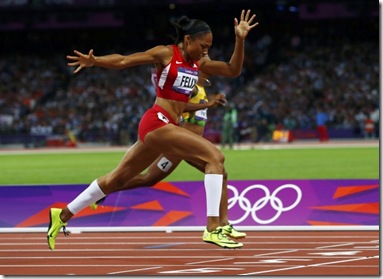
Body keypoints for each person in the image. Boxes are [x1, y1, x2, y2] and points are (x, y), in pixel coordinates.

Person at [47, 9, 258, 250]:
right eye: (203, 45)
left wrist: (240, 40)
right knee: (215, 158)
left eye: (209, 46)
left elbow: (233, 70)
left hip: (165, 127)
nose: (206, 50)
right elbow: (125, 60)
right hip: (157, 121)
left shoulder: (200, 63)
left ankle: (61, 215)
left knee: (117, 179)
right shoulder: (166, 53)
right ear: (188, 40)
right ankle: (213, 228)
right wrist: (95, 61)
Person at [91, 71, 246, 240]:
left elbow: (230, 68)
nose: (207, 60)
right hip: (181, 144)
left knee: (149, 179)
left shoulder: (201, 86)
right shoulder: (191, 87)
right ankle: (221, 224)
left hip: (190, 146)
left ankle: (224, 224)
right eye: (204, 58)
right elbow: (180, 107)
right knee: (218, 171)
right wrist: (208, 105)